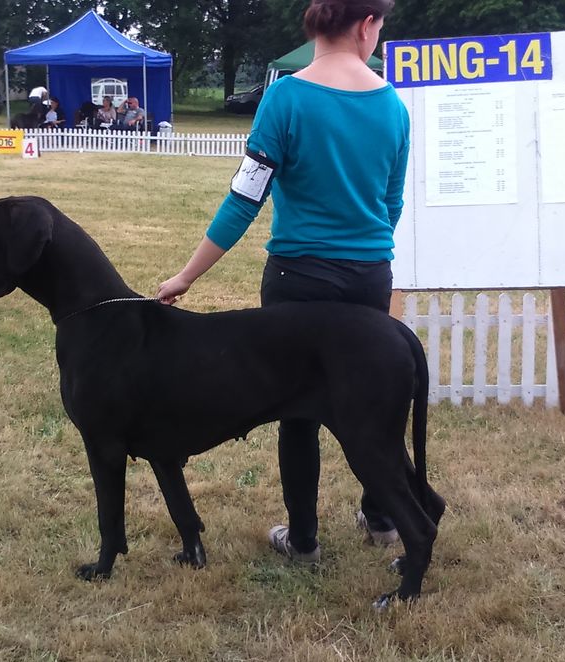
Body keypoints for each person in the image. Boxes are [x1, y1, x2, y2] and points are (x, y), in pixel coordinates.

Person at [157, 0, 409, 563]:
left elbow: (245, 199)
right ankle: (384, 518)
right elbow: (390, 203)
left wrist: (185, 276)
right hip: (370, 276)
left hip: (297, 281)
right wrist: (363, 253)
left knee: (297, 413)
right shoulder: (393, 106)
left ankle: (303, 539)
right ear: (367, 25)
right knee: (374, 402)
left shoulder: (285, 98)